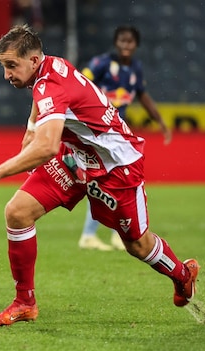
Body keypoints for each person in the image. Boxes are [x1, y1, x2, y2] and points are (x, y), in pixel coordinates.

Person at [0, 24, 199, 326]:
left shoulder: (51, 84)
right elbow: (40, 103)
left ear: (33, 61)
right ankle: (25, 303)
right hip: (75, 159)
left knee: (137, 245)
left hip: (116, 168)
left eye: (11, 66)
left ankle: (181, 274)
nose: (7, 75)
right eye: (4, 66)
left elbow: (47, 147)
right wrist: (30, 130)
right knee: (17, 212)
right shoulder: (48, 67)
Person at [78, 25, 173, 251]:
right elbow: (80, 81)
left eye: (130, 42)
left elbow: (143, 95)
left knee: (117, 181)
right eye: (121, 41)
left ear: (136, 44)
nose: (125, 45)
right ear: (115, 42)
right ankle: (90, 234)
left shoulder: (135, 69)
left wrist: (159, 120)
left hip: (116, 134)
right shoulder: (101, 63)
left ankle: (112, 234)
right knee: (107, 181)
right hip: (96, 132)